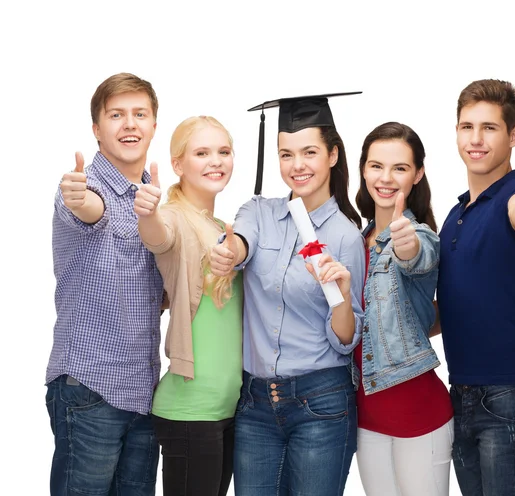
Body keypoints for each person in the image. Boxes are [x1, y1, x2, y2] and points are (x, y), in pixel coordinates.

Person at [210, 93, 365, 496]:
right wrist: (230, 253)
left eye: (309, 152)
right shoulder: (259, 211)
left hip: (322, 403)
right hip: (256, 405)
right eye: (286, 154)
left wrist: (343, 297)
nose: (297, 166)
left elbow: (346, 340)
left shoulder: (346, 236)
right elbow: (240, 244)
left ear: (332, 155)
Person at [45, 72, 163, 495]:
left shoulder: (152, 197)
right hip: (90, 389)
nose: (129, 124)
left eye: (139, 114)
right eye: (116, 115)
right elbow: (88, 209)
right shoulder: (83, 186)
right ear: (97, 128)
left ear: (153, 124)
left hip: (144, 394)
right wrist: (81, 200)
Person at [436, 79, 515, 496]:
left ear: (513, 135)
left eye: (489, 128)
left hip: (512, 394)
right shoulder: (454, 216)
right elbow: (450, 307)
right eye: (467, 127)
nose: (476, 139)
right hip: (461, 392)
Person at [133, 115, 242, 496]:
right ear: (178, 164)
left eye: (223, 152)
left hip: (228, 408)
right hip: (190, 411)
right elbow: (160, 238)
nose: (216, 161)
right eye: (202, 153)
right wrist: (147, 214)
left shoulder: (222, 225)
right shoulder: (175, 217)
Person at [353, 122, 454, 495]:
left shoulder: (420, 233)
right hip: (367, 418)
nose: (386, 178)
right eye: (376, 165)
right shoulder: (354, 240)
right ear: (363, 169)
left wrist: (405, 243)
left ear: (418, 173)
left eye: (400, 168)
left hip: (419, 415)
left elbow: (418, 257)